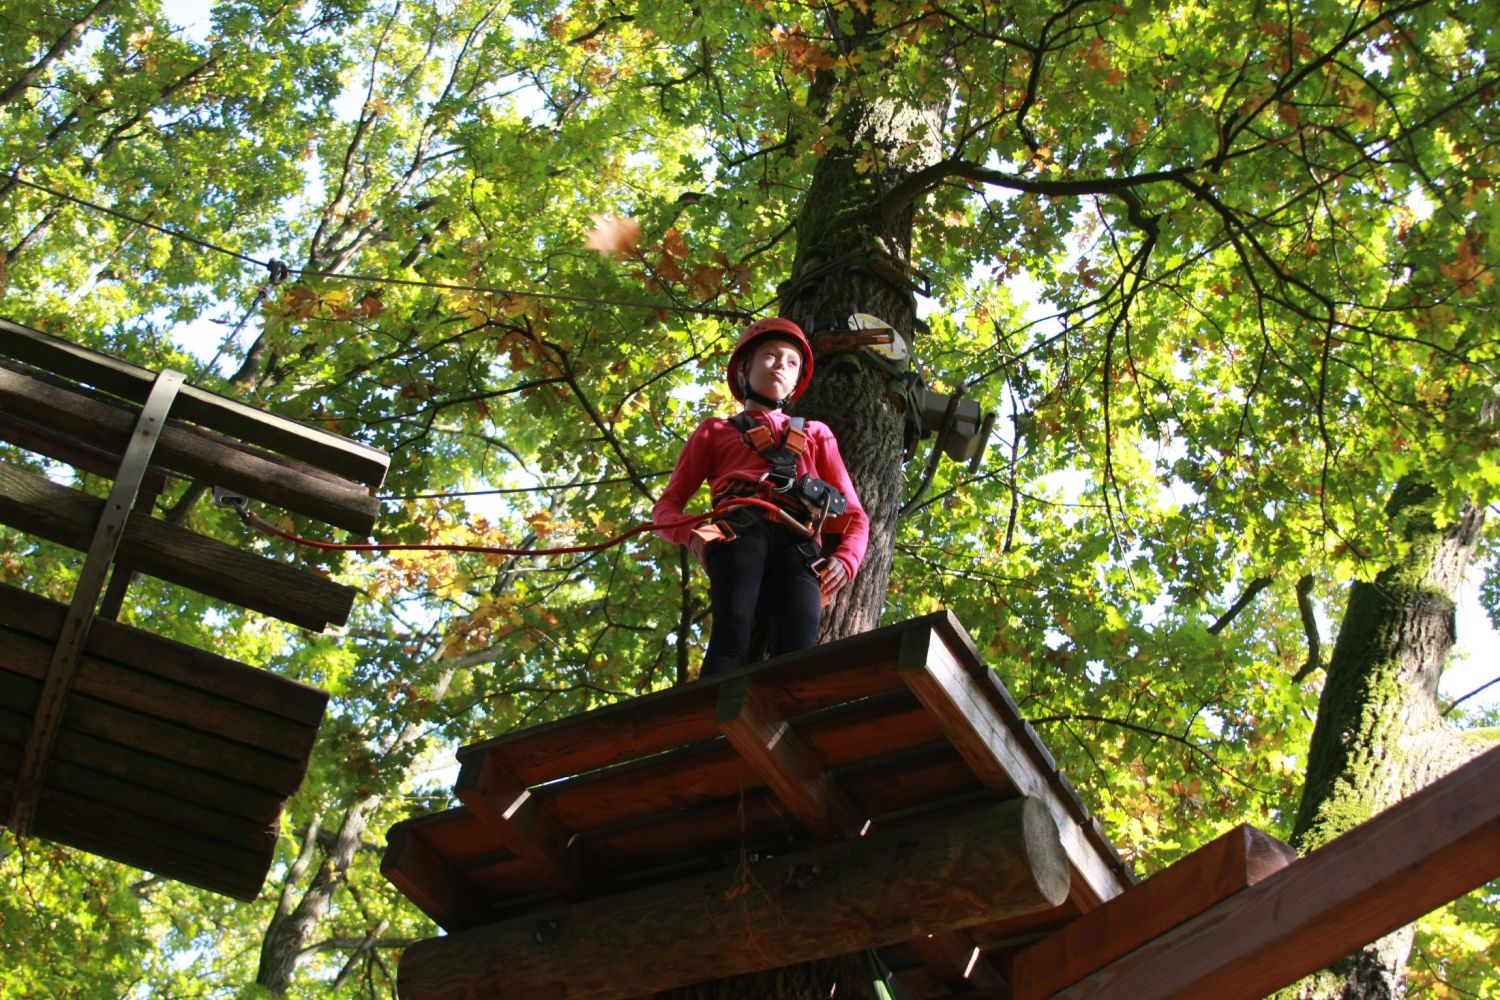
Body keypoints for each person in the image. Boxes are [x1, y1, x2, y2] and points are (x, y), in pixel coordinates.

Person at [653, 317, 870, 678]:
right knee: (729, 639)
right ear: (744, 369)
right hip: (736, 531)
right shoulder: (715, 431)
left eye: (791, 362)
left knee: (799, 654)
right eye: (770, 355)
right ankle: (707, 713)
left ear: (797, 381)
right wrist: (693, 536)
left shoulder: (816, 434)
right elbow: (666, 507)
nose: (780, 365)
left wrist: (846, 559)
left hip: (800, 543)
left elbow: (855, 516)